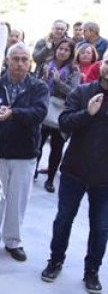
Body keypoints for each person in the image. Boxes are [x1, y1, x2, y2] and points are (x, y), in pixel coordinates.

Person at [41, 50, 108, 293]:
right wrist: (87, 114)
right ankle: (55, 261)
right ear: (101, 65)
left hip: (104, 179)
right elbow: (64, 122)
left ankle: (92, 271)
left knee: (100, 227)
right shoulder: (82, 92)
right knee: (63, 219)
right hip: (74, 171)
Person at [0, 43, 48, 262]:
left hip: (24, 153)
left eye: (24, 59)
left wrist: (14, 113)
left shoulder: (38, 87)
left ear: (30, 62)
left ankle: (13, 241)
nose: (19, 63)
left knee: (18, 201)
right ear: (6, 60)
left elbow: (39, 112)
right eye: (15, 58)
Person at [35, 38, 79, 192]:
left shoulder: (74, 71)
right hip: (43, 109)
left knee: (56, 147)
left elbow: (75, 92)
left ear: (71, 53)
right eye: (61, 48)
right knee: (37, 143)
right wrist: (45, 79)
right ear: (56, 49)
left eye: (67, 50)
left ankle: (50, 179)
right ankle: (33, 171)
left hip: (61, 114)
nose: (63, 52)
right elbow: (35, 84)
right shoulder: (45, 64)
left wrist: (58, 82)